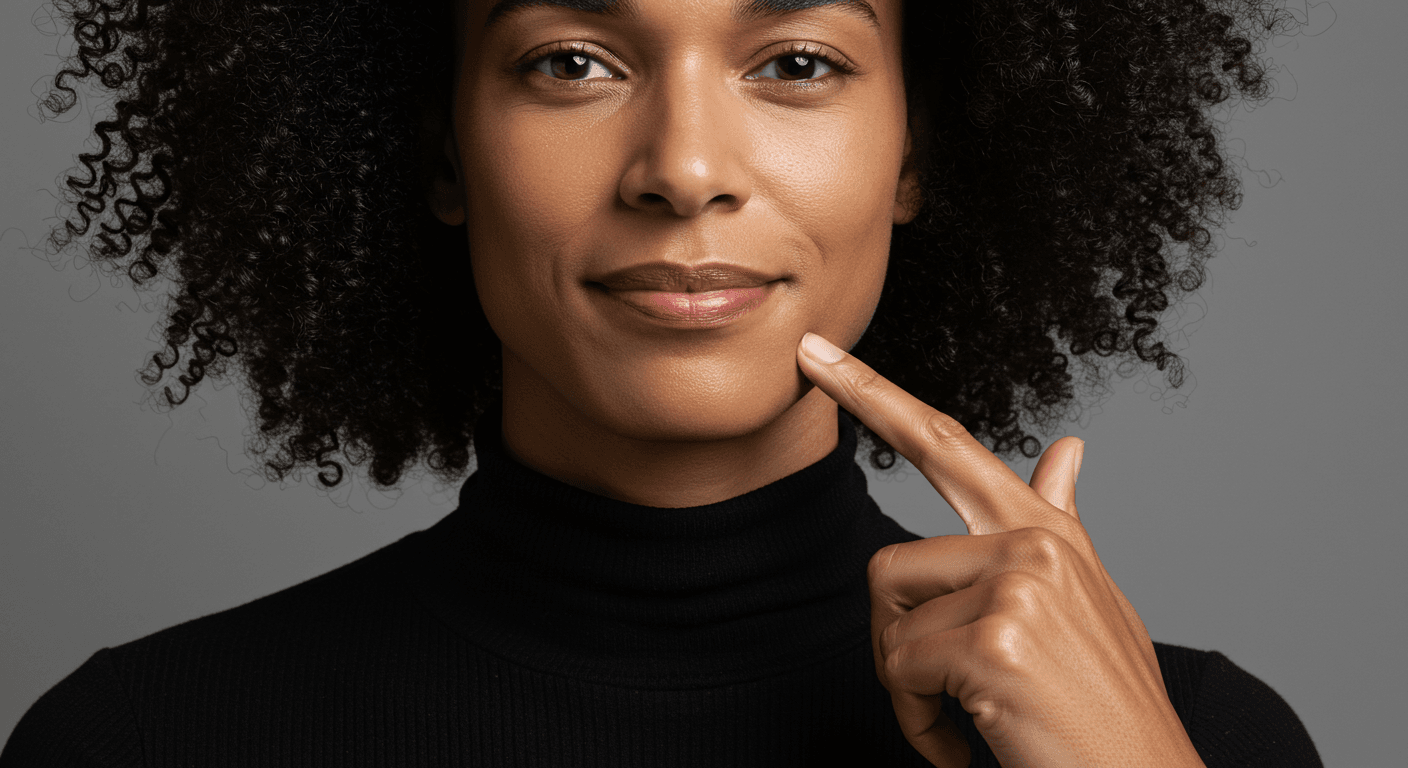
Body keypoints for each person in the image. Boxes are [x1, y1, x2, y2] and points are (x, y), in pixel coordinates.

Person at [1, 0, 1323, 765]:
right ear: (443, 154)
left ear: (917, 154)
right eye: (572, 62)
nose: (684, 167)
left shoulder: (1193, 738)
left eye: (795, 62)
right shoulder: (144, 739)